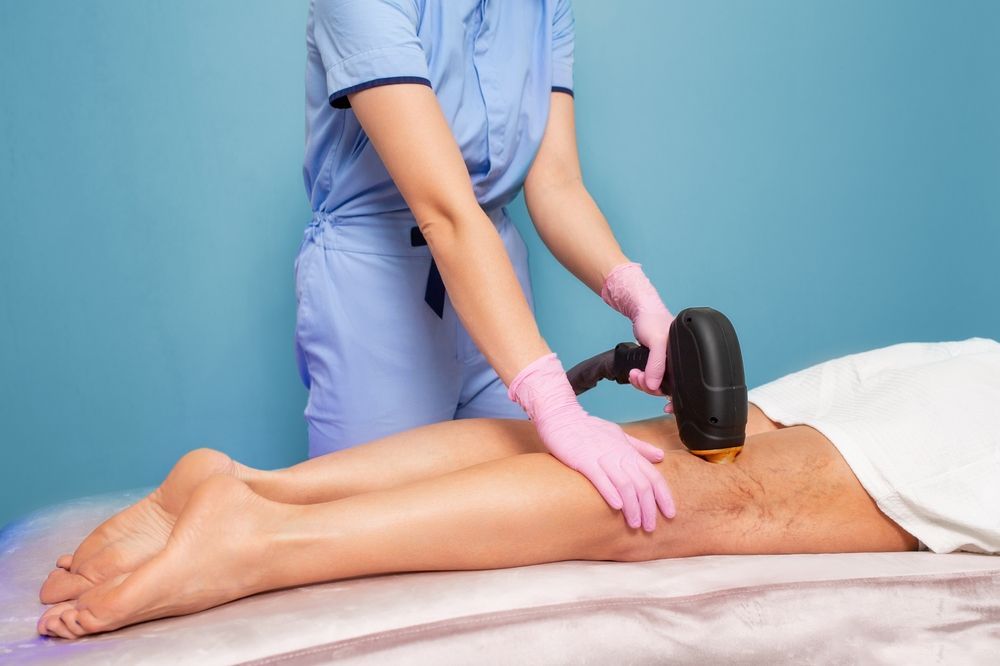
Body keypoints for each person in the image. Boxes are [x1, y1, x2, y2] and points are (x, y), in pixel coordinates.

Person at [36, 338, 1000, 639]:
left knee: (643, 450)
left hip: (967, 367)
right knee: (691, 495)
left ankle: (255, 491)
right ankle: (256, 537)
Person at [297, 0, 676, 530]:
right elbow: (446, 212)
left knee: (518, 522)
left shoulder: (546, 8)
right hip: (378, 287)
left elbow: (557, 185)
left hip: (496, 280)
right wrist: (556, 406)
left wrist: (640, 299)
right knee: (368, 532)